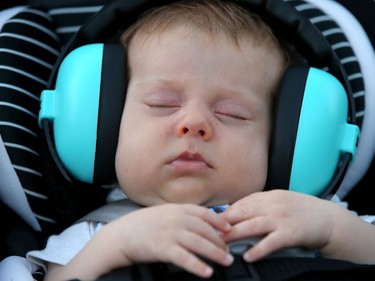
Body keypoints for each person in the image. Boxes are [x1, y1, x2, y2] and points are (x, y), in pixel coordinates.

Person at [23, 1, 375, 280]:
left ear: (286, 141)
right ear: (105, 125)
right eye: (163, 105)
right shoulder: (95, 235)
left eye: (233, 113)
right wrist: (116, 246)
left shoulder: (312, 219)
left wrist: (333, 230)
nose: (193, 123)